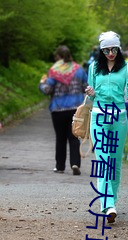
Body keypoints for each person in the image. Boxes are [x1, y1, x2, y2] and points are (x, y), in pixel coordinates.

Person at [85, 31, 128, 223]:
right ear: (101, 50)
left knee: (115, 162)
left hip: (120, 118)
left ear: (119, 48)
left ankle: (110, 203)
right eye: (106, 50)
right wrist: (90, 92)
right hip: (98, 116)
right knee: (104, 160)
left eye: (114, 49)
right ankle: (108, 203)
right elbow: (91, 97)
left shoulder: (127, 68)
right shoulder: (93, 68)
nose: (110, 53)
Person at [39, 45, 88, 175]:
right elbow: (86, 87)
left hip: (58, 109)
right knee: (74, 137)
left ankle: (60, 166)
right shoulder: (79, 70)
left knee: (60, 138)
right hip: (75, 109)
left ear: (58, 57)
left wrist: (42, 83)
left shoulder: (54, 71)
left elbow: (47, 90)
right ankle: (75, 163)